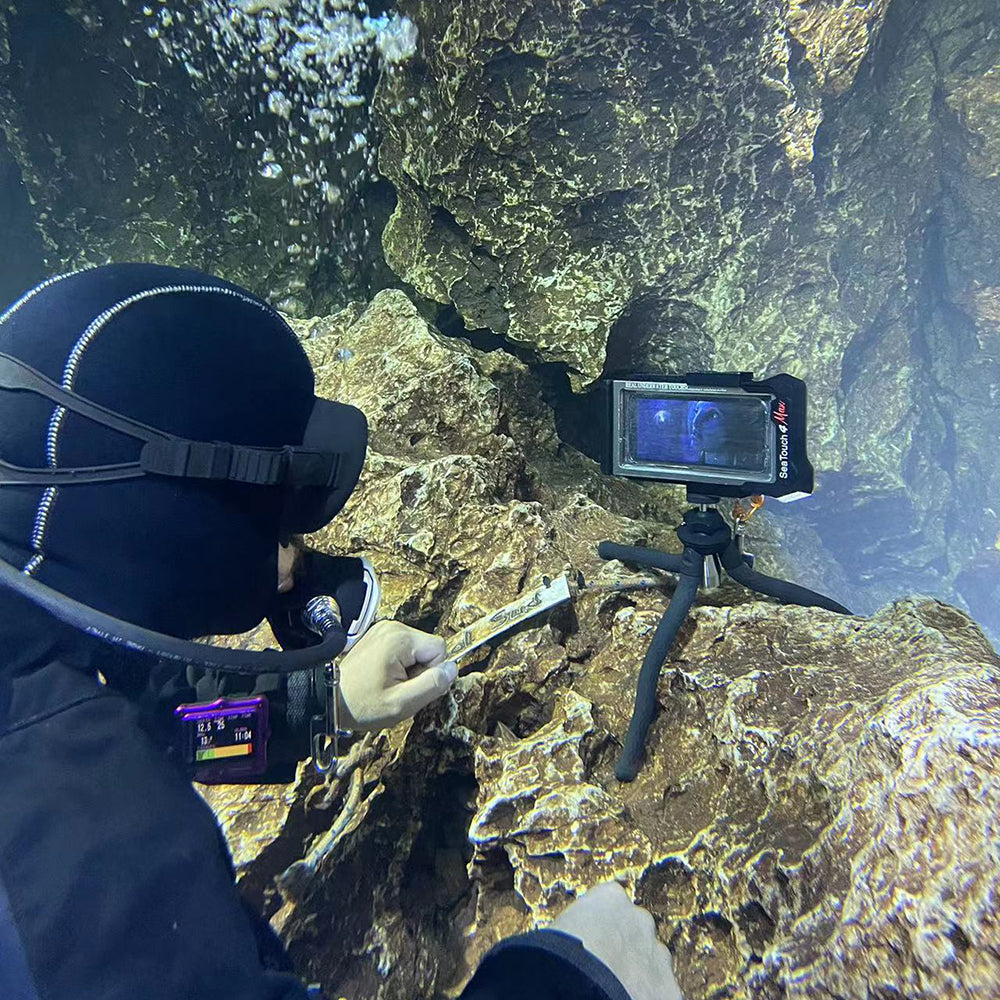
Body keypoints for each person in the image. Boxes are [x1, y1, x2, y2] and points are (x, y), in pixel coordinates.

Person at [0, 264, 680, 1000]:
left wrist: (321, 705)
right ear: (178, 541)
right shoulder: (90, 843)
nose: (295, 550)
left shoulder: (39, 628)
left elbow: (151, 721)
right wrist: (573, 984)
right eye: (281, 520)